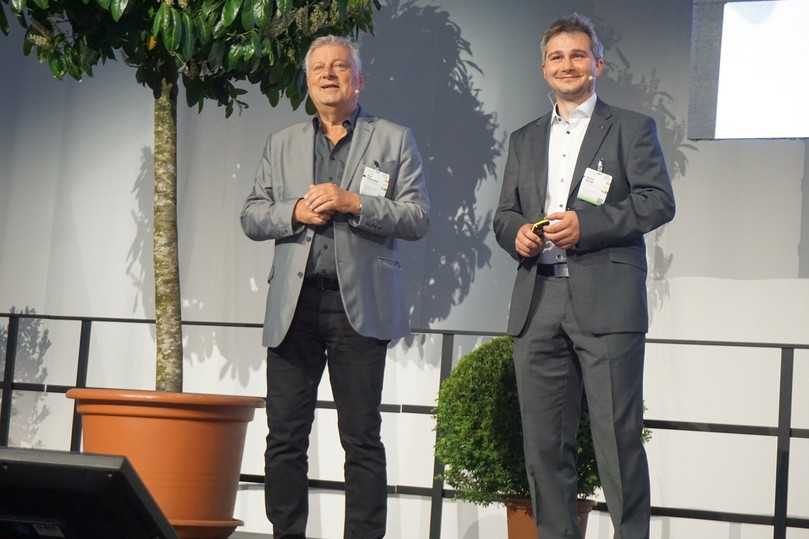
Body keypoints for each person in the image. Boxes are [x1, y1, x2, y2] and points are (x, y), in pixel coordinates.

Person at [240, 35, 430, 539]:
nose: (328, 75)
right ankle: (287, 534)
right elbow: (252, 216)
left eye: (340, 67)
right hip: (294, 305)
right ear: (307, 81)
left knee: (362, 438)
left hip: (359, 306)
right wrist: (294, 213)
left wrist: (355, 203)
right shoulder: (281, 143)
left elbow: (416, 218)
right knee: (284, 437)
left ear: (358, 79)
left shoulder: (393, 139)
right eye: (319, 68)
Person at [493, 14, 675, 539]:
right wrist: (518, 235)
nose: (567, 64)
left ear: (598, 63)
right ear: (543, 68)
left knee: (616, 440)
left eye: (577, 55)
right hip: (538, 298)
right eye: (556, 56)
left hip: (607, 299)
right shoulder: (524, 139)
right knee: (544, 446)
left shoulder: (632, 128)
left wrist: (587, 225)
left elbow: (658, 201)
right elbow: (505, 214)